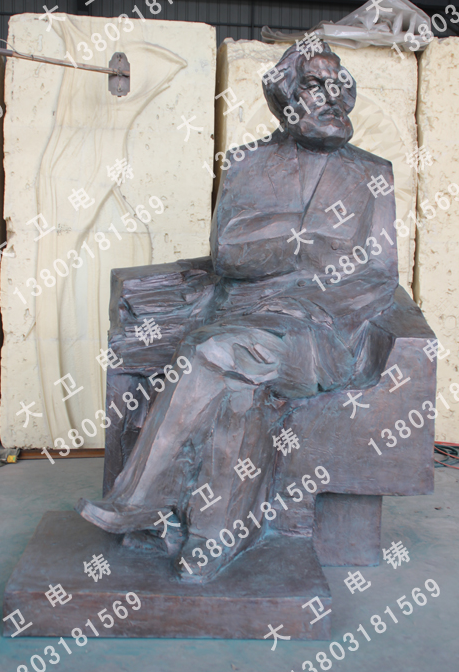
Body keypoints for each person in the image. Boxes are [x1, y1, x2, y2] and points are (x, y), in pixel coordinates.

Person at [77, 41, 399, 582]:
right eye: (313, 85)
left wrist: (293, 277)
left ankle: (140, 502)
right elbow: (229, 252)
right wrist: (303, 242)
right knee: (236, 384)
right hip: (239, 314)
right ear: (286, 99)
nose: (330, 97)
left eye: (338, 85)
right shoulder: (248, 163)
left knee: (213, 354)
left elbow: (376, 275)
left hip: (321, 332)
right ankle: (216, 536)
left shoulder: (372, 173)